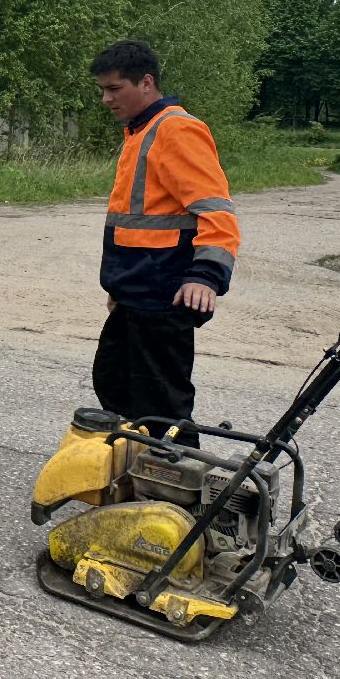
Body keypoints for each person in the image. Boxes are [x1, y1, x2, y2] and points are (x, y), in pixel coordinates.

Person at [89, 39, 240, 447]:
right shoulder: (138, 133)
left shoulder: (176, 129)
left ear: (146, 83)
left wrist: (206, 276)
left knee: (162, 406)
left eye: (114, 88)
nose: (106, 99)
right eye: (102, 89)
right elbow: (137, 224)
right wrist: (121, 288)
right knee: (115, 381)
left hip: (166, 295)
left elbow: (216, 212)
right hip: (137, 292)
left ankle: (177, 488)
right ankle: (141, 468)